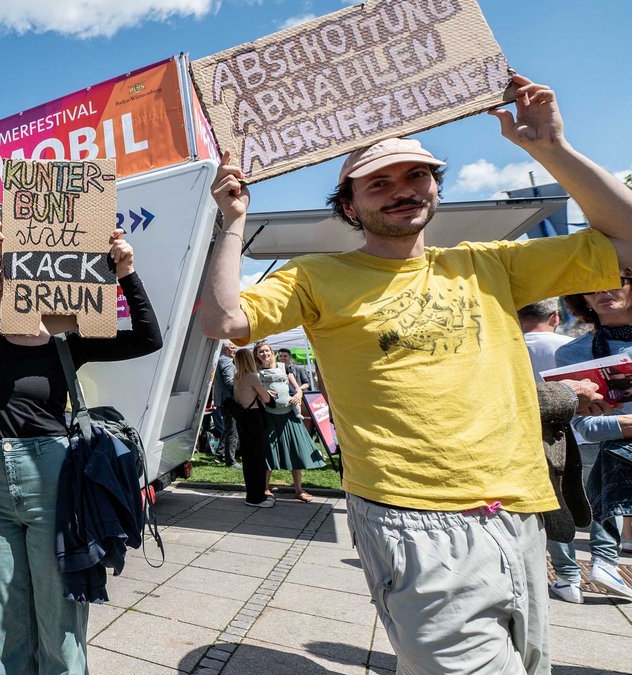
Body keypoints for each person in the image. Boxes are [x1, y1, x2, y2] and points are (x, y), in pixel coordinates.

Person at [198, 74, 632, 673]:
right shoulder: (315, 276)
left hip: (520, 511)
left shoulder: (488, 264)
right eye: (379, 183)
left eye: (416, 176)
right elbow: (224, 319)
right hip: (412, 516)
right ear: (349, 205)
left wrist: (550, 148)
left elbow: (628, 240)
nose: (402, 190)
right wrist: (233, 221)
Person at [0, 220, 162, 674]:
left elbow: (148, 337)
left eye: (8, 280)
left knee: (58, 601)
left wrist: (126, 274)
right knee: (1, 601)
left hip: (52, 475)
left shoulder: (68, 344)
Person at [548, 287, 632, 602]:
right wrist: (624, 425)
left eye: (617, 280)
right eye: (591, 288)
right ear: (581, 299)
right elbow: (583, 425)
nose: (603, 292)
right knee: (572, 504)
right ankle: (590, 567)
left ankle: (593, 566)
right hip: (598, 453)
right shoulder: (572, 353)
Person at [254, 341, 324, 502]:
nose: (264, 354)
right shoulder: (256, 373)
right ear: (257, 356)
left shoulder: (283, 367)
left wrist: (298, 394)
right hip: (270, 416)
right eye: (260, 352)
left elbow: (298, 387)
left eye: (266, 351)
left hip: (290, 415)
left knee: (296, 450)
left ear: (272, 352)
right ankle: (265, 487)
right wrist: (263, 393)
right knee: (269, 453)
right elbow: (255, 394)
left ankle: (298, 490)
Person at [228, 348, 277, 507]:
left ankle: (253, 494)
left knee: (249, 459)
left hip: (243, 419)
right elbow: (266, 399)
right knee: (257, 458)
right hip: (255, 419)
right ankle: (256, 497)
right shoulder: (252, 376)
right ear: (249, 359)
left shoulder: (237, 377)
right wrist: (269, 395)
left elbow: (247, 394)